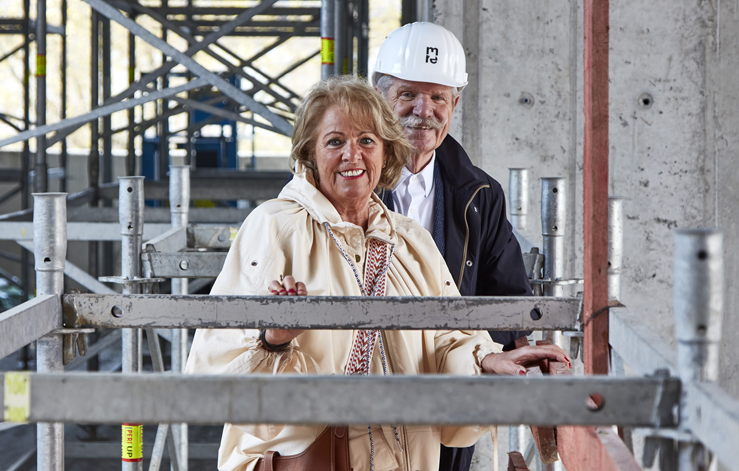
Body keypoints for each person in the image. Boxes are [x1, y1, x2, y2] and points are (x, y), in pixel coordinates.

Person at [186, 76, 569, 471]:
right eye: (335, 141)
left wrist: (486, 358)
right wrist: (274, 341)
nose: (353, 155)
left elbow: (449, 340)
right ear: (309, 154)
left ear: (386, 152)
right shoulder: (275, 227)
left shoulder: (410, 240)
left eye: (367, 140)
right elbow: (216, 368)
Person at [372, 22, 535, 471]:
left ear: (455, 104)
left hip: (448, 394)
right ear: (379, 98)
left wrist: (499, 356)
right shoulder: (344, 183)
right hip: (362, 395)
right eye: (408, 94)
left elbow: (508, 299)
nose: (423, 111)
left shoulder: (481, 195)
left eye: (438, 97)